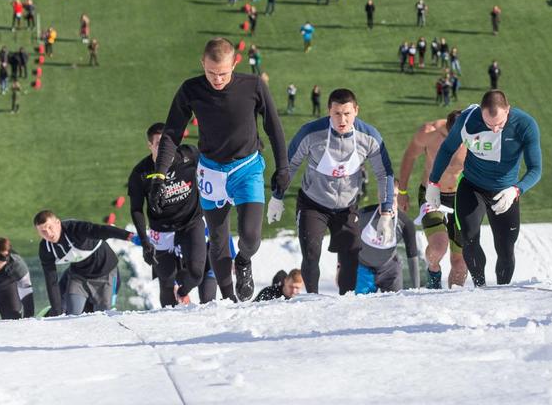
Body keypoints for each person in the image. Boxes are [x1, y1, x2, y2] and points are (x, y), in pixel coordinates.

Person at [153, 38, 289, 301]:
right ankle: (229, 299)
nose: (217, 80)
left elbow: (274, 126)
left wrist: (282, 167)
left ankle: (243, 261)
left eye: (223, 73)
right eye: (211, 73)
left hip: (246, 168)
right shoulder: (191, 89)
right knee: (217, 238)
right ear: (202, 64)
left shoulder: (253, 86)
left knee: (251, 236)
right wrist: (159, 174)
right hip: (211, 172)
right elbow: (171, 133)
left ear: (234, 63)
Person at [268, 88, 396, 295]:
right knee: (311, 252)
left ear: (356, 111)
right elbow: (289, 166)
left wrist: (386, 213)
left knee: (351, 255)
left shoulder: (370, 137)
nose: (342, 120)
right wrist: (277, 197)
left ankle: (346, 301)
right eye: (337, 113)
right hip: (313, 204)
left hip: (346, 207)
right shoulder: (310, 133)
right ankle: (311, 298)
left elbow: (385, 173)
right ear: (329, 111)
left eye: (347, 113)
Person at [427, 90, 541, 286]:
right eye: (489, 124)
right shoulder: (467, 120)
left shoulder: (525, 125)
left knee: (505, 248)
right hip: (472, 187)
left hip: (505, 193)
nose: (495, 129)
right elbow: (447, 148)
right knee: (468, 238)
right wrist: (433, 183)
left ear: (508, 110)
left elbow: (536, 169)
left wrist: (516, 190)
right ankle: (480, 286)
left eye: (499, 124)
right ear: (481, 112)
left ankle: (502, 289)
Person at [128, 122, 209, 307]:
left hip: (191, 222)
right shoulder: (141, 173)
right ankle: (167, 318)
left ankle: (182, 292)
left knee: (197, 273)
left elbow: (211, 166)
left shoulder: (189, 155)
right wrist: (145, 242)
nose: (164, 148)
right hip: (161, 230)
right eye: (158, 144)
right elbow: (136, 209)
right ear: (150, 145)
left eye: (167, 143)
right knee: (165, 280)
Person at [395, 111, 467, 288]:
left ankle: (454, 299)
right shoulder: (429, 133)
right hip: (432, 195)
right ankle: (433, 271)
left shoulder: (475, 136)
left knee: (460, 263)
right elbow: (409, 156)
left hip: (462, 197)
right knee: (438, 247)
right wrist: (402, 191)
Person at [34, 211, 133, 316]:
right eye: (43, 231)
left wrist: (129, 236)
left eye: (50, 227)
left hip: (106, 273)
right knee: (71, 315)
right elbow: (51, 281)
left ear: (58, 223)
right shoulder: (46, 249)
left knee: (102, 317)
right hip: (79, 276)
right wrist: (56, 310)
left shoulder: (74, 229)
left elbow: (102, 230)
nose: (48, 234)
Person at [354, 203, 419, 294]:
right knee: (360, 305)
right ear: (379, 196)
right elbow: (346, 240)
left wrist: (417, 289)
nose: (389, 201)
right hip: (363, 268)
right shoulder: (363, 214)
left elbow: (412, 257)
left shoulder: (405, 223)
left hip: (390, 271)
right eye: (385, 196)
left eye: (394, 196)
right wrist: (340, 269)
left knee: (395, 306)